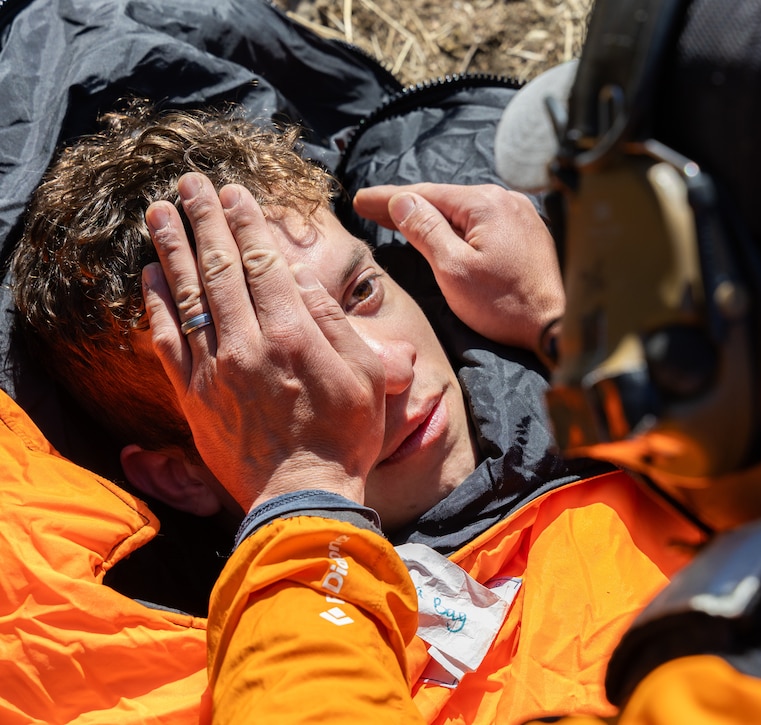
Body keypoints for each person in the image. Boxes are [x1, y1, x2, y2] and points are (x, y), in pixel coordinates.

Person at [167, 0, 761, 722]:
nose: (377, 372)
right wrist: (569, 327)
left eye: (593, 208)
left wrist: (303, 490)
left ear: (671, 260)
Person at [3, 104, 706, 723]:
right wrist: (306, 492)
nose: (387, 369)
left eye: (362, 290)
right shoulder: (180, 683)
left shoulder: (626, 394)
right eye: (285, 372)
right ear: (178, 475)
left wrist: (567, 325)